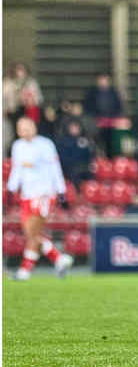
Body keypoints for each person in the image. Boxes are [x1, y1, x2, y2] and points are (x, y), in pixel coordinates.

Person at [6, 117, 73, 280]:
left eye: (27, 127)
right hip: (26, 195)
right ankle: (59, 258)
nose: (25, 131)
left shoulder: (46, 144)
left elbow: (55, 168)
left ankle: (25, 271)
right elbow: (17, 169)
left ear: (34, 127)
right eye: (21, 128)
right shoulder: (17, 146)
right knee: (30, 233)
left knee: (32, 231)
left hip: (43, 193)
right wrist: (10, 189)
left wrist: (61, 192)